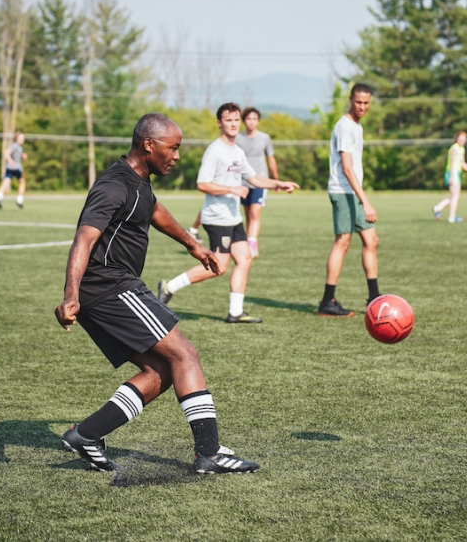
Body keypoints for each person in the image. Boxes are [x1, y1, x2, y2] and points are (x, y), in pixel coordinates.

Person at [54, 113, 260, 474]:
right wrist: (71, 293)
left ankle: (86, 435)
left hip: (108, 290)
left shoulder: (138, 182)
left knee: (161, 370)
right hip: (109, 287)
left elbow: (155, 211)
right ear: (149, 145)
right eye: (173, 147)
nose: (177, 155)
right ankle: (209, 454)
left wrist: (194, 246)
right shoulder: (114, 185)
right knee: (185, 355)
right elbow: (84, 238)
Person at [158, 103, 299, 323]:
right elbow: (202, 183)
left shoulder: (237, 151)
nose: (233, 124)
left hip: (233, 218)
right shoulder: (215, 150)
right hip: (217, 217)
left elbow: (253, 178)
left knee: (244, 258)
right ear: (219, 123)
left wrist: (278, 183)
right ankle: (169, 286)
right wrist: (232, 189)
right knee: (220, 266)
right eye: (228, 120)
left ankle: (235, 312)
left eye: (236, 120)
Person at [317, 83, 380, 317]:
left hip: (354, 193)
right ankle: (327, 301)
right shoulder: (345, 127)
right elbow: (346, 168)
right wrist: (366, 200)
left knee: (371, 240)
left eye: (366, 103)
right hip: (343, 192)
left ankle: (374, 297)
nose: (362, 107)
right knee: (342, 243)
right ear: (350, 99)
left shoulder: (356, 126)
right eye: (358, 102)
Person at [236, 107, 280, 258]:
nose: (251, 122)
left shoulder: (264, 138)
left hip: (260, 181)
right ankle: (250, 240)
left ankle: (252, 242)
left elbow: (271, 158)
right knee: (248, 214)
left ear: (258, 121)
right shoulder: (238, 138)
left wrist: (275, 179)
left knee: (255, 213)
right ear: (244, 121)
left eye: (254, 119)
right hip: (242, 182)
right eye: (248, 118)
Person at [432, 131, 467, 223]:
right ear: (457, 139)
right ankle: (451, 217)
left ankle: (438, 208)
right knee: (455, 196)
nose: (462, 141)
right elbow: (452, 162)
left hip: (457, 173)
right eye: (460, 139)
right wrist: (452, 176)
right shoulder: (455, 148)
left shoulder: (462, 149)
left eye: (464, 139)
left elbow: (462, 163)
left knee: (454, 196)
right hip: (453, 173)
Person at [0, 131, 27, 209]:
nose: (23, 139)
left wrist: (21, 156)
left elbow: (15, 156)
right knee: (22, 182)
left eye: (23, 138)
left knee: (6, 182)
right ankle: (19, 200)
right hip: (16, 168)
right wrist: (10, 160)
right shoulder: (15, 145)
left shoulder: (19, 147)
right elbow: (6, 152)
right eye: (21, 138)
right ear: (16, 138)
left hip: (9, 167)